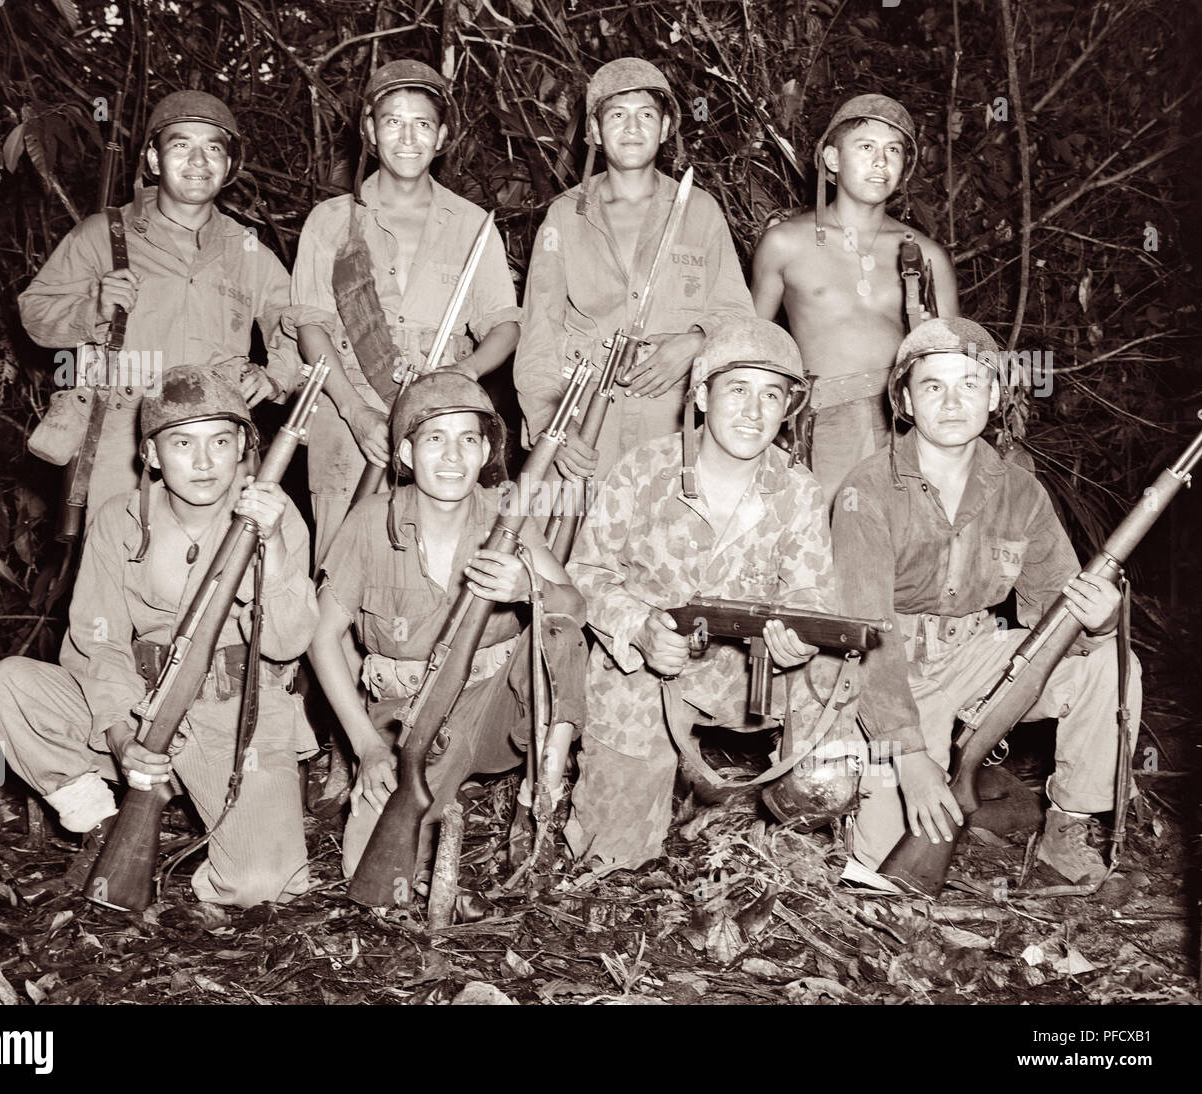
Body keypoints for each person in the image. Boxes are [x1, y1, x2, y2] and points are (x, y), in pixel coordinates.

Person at [0, 365, 318, 907]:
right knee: (8, 686)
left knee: (264, 886)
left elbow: (287, 643)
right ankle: (103, 826)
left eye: (221, 441)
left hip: (235, 712)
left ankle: (208, 823)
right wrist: (120, 734)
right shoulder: (121, 518)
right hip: (140, 701)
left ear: (242, 449)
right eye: (183, 442)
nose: (205, 462)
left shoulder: (275, 515)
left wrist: (272, 547)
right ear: (153, 455)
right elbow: (99, 641)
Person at [831, 318, 1142, 883]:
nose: (952, 402)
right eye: (932, 386)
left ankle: (1065, 832)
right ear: (904, 398)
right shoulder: (866, 490)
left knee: (1107, 664)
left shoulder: (1019, 489)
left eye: (970, 384)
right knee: (879, 873)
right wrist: (909, 756)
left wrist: (1100, 622)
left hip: (975, 656)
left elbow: (1058, 601)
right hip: (889, 671)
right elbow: (865, 635)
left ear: (995, 395)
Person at [565, 317, 861, 870]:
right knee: (609, 862)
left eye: (771, 395)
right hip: (646, 676)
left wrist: (796, 644)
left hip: (747, 678)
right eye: (737, 390)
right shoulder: (643, 471)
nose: (754, 411)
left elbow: (810, 595)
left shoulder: (797, 489)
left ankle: (795, 832)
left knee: (836, 716)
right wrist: (640, 628)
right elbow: (585, 573)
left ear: (787, 408)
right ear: (701, 394)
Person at [307, 369, 586, 878]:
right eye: (435, 439)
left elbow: (574, 605)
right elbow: (322, 639)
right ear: (408, 455)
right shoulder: (371, 520)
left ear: (485, 453)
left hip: (499, 704)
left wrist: (530, 591)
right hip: (409, 711)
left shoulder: (507, 514)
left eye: (468, 440)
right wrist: (367, 747)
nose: (453, 457)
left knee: (558, 627)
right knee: (372, 873)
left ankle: (546, 777)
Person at [20, 90, 301, 517]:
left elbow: (297, 321)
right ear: (154, 160)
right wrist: (92, 310)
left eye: (213, 148)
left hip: (218, 438)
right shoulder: (103, 234)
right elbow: (35, 312)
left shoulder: (246, 248)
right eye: (180, 145)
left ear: (229, 167)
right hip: (122, 436)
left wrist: (277, 376)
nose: (198, 161)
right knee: (117, 566)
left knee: (221, 574)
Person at [285, 60, 521, 563]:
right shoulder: (331, 222)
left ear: (441, 137)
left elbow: (504, 323)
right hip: (350, 412)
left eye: (422, 123)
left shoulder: (473, 226)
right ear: (370, 131)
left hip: (445, 419)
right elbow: (312, 327)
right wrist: (355, 412)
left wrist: (465, 370)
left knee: (437, 561)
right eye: (393, 121)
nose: (407, 137)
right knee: (339, 562)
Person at [515, 57, 754, 486]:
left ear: (665, 129)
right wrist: (554, 423)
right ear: (593, 131)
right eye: (616, 115)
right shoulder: (565, 216)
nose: (632, 127)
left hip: (671, 420)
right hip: (583, 421)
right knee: (564, 544)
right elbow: (538, 334)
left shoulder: (698, 211)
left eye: (646, 115)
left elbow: (738, 314)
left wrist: (695, 341)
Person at [752, 93, 959, 507]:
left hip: (905, 425)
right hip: (823, 428)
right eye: (866, 147)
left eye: (894, 151)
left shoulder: (925, 253)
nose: (881, 162)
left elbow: (953, 360)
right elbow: (750, 350)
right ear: (832, 158)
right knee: (827, 557)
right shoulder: (784, 243)